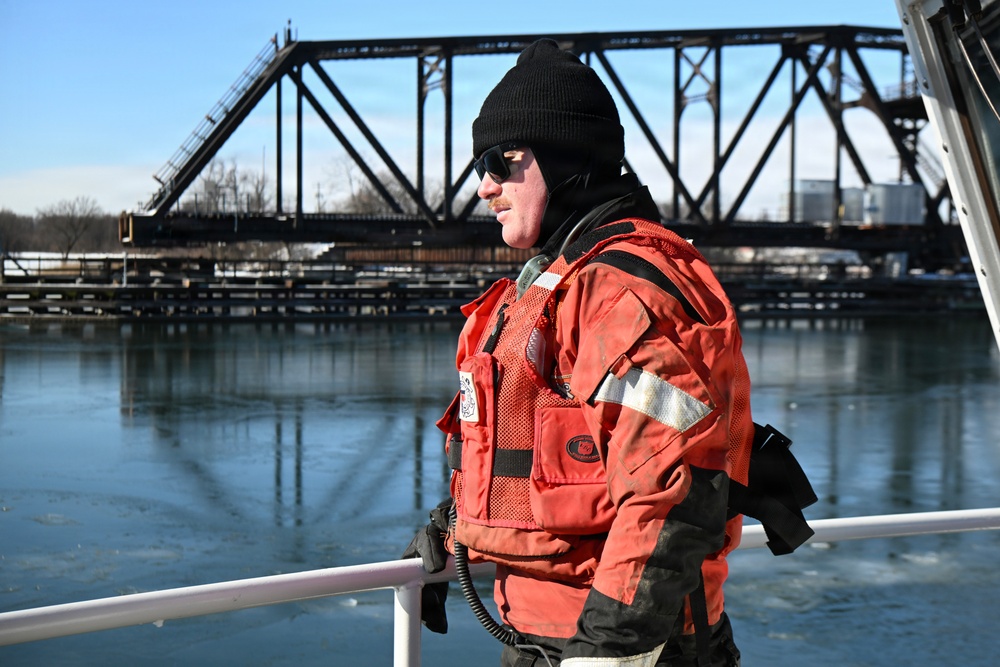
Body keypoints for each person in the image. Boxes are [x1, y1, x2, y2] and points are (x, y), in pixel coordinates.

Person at [407, 38, 756, 667]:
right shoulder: (556, 284)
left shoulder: (619, 290)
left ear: (566, 155)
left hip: (633, 650)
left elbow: (674, 489)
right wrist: (452, 529)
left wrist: (605, 650)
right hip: (547, 640)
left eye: (500, 159)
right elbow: (547, 459)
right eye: (477, 164)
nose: (484, 186)